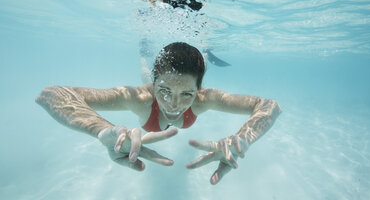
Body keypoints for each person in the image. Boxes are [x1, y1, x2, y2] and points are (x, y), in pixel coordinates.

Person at [36, 42, 281, 185]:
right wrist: (101, 129)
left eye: (187, 94)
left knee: (188, 76)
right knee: (145, 71)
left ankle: (203, 52)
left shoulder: (205, 98)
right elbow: (51, 93)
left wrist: (242, 138)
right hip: (150, 85)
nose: (173, 104)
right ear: (155, 87)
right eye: (163, 91)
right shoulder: (141, 98)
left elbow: (270, 105)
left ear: (199, 90)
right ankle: (145, 56)